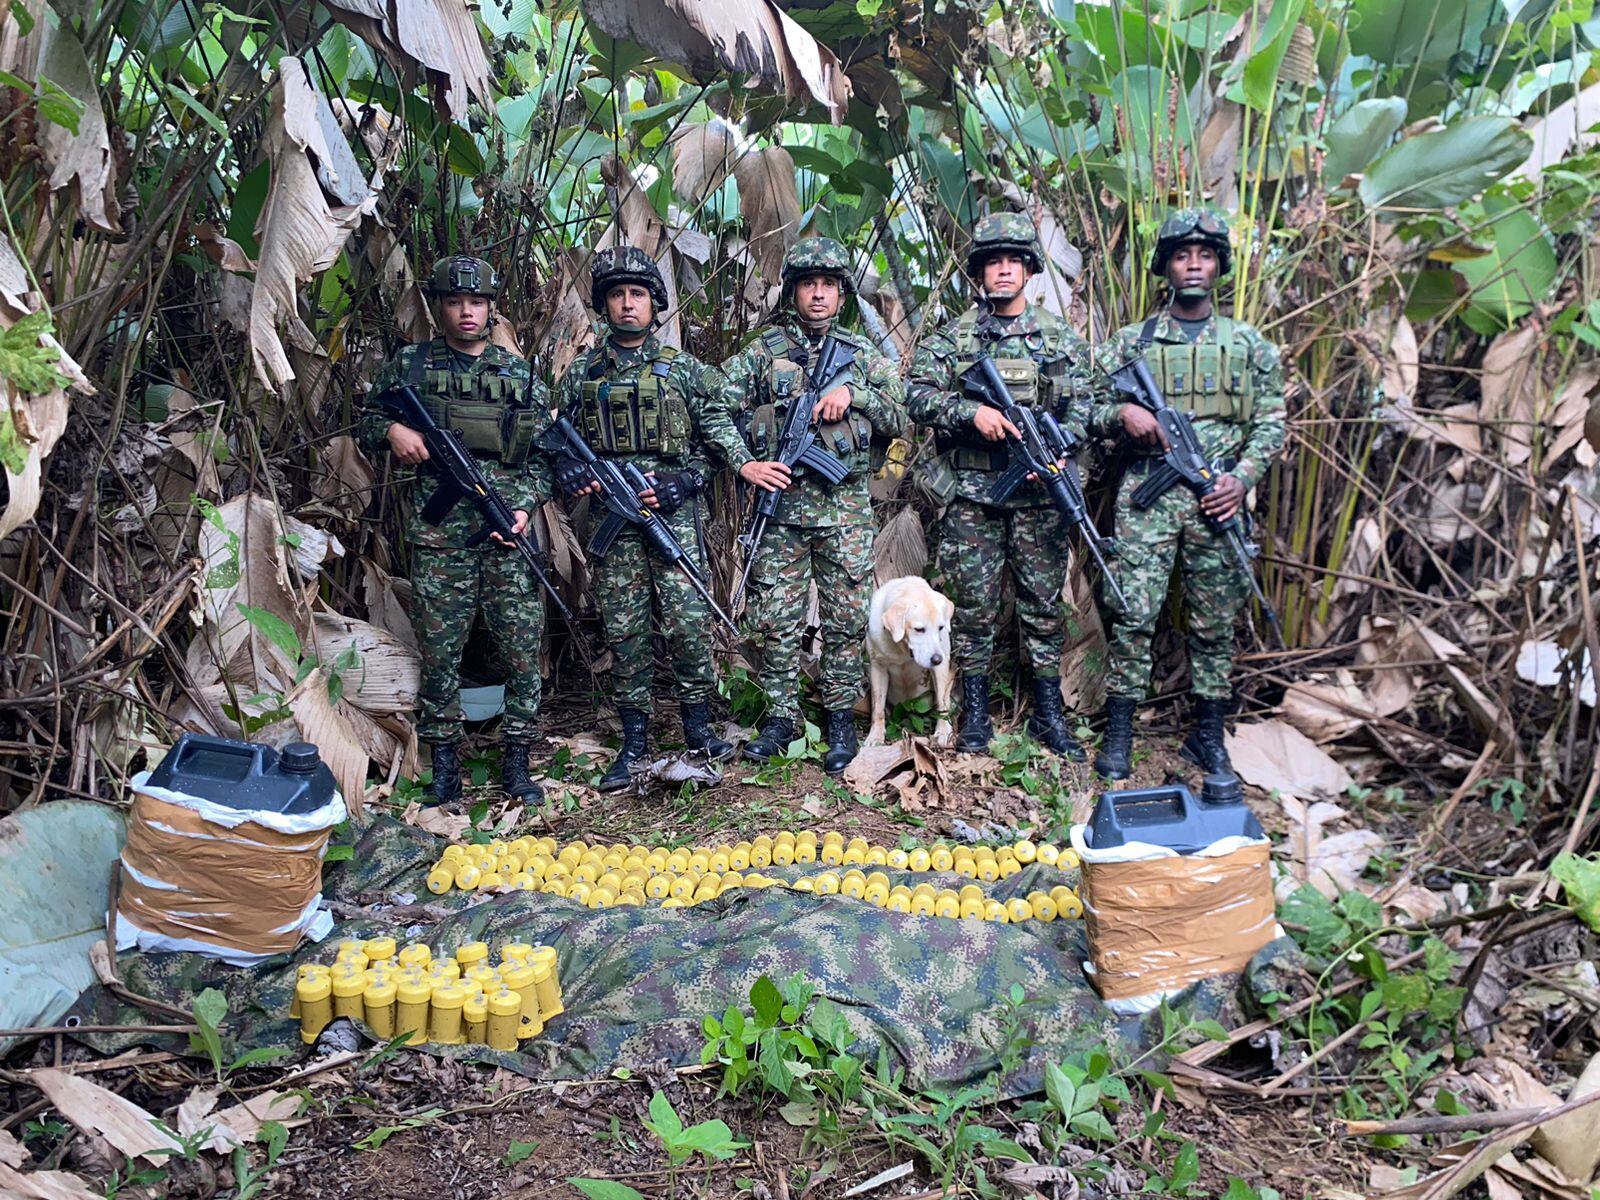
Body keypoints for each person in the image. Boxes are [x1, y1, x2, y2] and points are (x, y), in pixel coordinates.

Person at [552, 246, 789, 791]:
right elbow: (549, 435)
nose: (628, 304)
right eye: (617, 295)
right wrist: (569, 471)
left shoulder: (684, 371)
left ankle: (698, 733)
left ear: (654, 303)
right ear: (604, 305)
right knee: (626, 631)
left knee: (686, 625)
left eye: (637, 294)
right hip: (612, 518)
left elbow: (715, 434)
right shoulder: (582, 374)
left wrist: (694, 479)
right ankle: (634, 744)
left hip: (672, 514)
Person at [1089, 207, 1286, 779]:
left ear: (1218, 266)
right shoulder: (1132, 343)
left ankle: (1208, 736)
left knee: (1214, 621)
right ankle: (1120, 731)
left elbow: (1272, 421)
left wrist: (1241, 479)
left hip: (1217, 495)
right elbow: (1080, 406)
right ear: (1166, 267)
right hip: (1148, 496)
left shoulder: (1248, 344)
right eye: (1182, 255)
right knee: (1131, 611)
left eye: (1204, 255)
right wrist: (1121, 412)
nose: (1193, 264)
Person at [361, 254, 552, 806]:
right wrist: (395, 429)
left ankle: (517, 763)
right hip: (440, 537)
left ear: (492, 308)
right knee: (441, 655)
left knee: (520, 649)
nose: (466, 312)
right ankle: (445, 768)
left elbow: (545, 457)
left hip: (505, 535)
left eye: (476, 302)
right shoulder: (410, 366)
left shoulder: (518, 374)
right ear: (439, 307)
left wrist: (520, 506)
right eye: (454, 301)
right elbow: (370, 419)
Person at [907, 212, 1097, 757]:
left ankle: (1048, 713)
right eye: (994, 261)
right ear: (981, 272)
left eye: (1014, 260)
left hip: (1038, 496)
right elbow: (915, 396)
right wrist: (971, 414)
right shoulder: (955, 339)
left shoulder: (1058, 338)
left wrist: (1055, 446)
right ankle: (974, 716)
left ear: (1031, 270)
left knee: (1041, 605)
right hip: (973, 498)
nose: (1004, 270)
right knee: (972, 608)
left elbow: (1086, 406)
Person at [719, 237, 908, 774]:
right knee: (776, 618)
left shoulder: (863, 356)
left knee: (847, 619)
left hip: (844, 512)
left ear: (842, 293)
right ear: (794, 291)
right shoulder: (764, 351)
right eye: (808, 284)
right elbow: (712, 404)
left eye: (828, 285)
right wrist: (744, 464)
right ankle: (780, 719)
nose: (818, 294)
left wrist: (858, 396)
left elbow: (903, 415)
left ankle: (840, 720)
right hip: (780, 513)